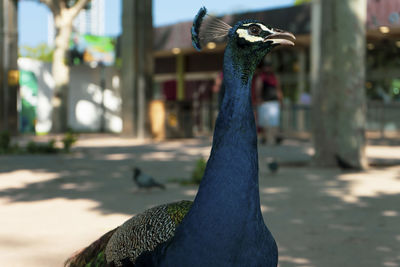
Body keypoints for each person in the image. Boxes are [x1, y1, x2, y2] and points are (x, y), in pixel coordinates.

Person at [253, 60, 283, 144]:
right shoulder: (261, 77)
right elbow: (258, 88)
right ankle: (265, 137)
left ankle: (275, 136)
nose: (268, 68)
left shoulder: (274, 77)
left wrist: (280, 100)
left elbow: (278, 89)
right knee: (264, 121)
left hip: (273, 101)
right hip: (264, 102)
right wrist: (258, 99)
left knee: (274, 121)